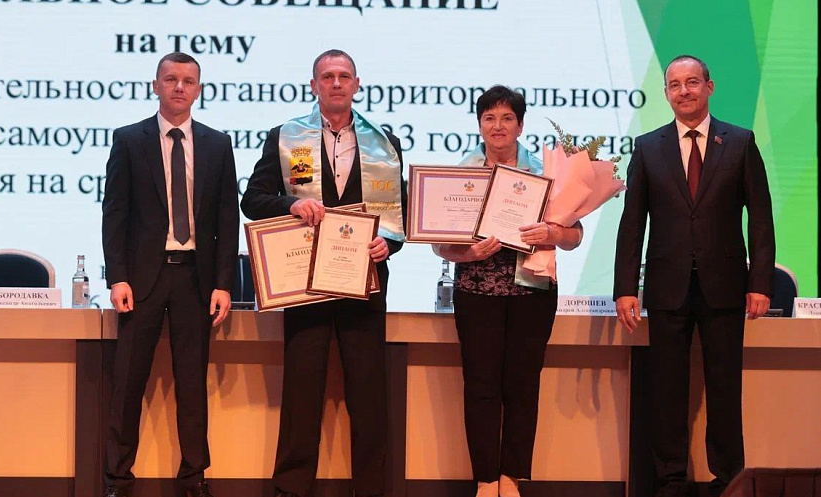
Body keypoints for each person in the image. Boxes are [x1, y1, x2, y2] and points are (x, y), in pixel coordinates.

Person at [240, 49, 407, 497]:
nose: (336, 83)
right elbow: (252, 200)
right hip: (305, 285)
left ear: (357, 85)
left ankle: (372, 491)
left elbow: (399, 214)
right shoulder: (286, 137)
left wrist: (389, 244)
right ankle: (290, 489)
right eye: (327, 76)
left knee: (368, 395)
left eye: (344, 76)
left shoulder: (384, 142)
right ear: (313, 85)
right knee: (302, 393)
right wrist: (290, 204)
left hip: (364, 283)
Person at [614, 55, 775, 497]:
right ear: (666, 93)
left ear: (709, 87)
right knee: (667, 390)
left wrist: (760, 283)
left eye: (691, 82)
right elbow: (632, 224)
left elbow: (761, 219)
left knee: (724, 388)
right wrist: (625, 288)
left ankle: (729, 479)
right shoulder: (648, 147)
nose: (683, 91)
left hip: (725, 287)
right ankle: (669, 481)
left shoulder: (740, 142)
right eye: (674, 85)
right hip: (666, 288)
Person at [432, 85, 583, 497]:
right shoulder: (462, 174)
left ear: (520, 125)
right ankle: (485, 477)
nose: (497, 126)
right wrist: (467, 253)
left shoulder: (546, 173)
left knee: (522, 386)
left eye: (507, 118)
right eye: (489, 118)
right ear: (479, 124)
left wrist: (552, 233)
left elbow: (575, 236)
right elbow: (438, 244)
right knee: (480, 387)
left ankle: (512, 476)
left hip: (532, 294)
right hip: (476, 292)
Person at [101, 52, 239, 497]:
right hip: (142, 279)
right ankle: (118, 479)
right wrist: (117, 277)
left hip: (195, 280)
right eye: (171, 79)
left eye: (188, 81)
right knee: (128, 384)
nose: (179, 87)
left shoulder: (218, 144)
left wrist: (224, 283)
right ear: (155, 85)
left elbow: (226, 220)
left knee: (193, 384)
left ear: (198, 89)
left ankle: (194, 478)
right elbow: (115, 213)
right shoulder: (129, 140)